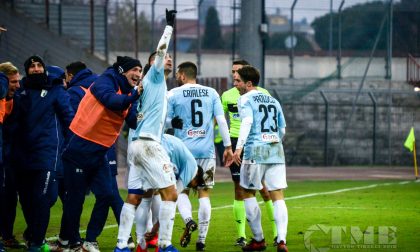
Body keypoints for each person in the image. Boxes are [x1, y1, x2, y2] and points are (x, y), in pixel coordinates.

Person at [61, 55, 141, 251]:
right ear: (122, 70)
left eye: (140, 71)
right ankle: (70, 241)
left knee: (106, 194)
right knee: (75, 199)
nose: (138, 74)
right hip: (79, 148)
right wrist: (135, 96)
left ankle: (89, 239)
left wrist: (148, 110)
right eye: (135, 70)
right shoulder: (104, 80)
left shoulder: (130, 92)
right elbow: (111, 100)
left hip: (100, 152)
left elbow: (133, 121)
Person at [117, 8, 178, 252]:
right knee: (171, 194)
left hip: (137, 145)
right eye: (165, 58)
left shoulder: (146, 87)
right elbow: (161, 50)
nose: (168, 59)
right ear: (154, 63)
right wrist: (169, 27)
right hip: (150, 145)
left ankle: (122, 245)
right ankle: (164, 244)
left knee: (135, 197)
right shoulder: (154, 77)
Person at [166, 61, 233, 251]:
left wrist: (173, 123)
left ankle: (188, 220)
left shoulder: (173, 94)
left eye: (177, 75)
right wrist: (228, 146)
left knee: (181, 191)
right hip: (206, 152)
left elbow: (165, 120)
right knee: (204, 193)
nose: (176, 77)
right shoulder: (212, 93)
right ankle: (201, 240)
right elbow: (221, 120)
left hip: (182, 151)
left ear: (182, 75)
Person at [14, 55, 74, 251]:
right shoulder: (19, 92)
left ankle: (37, 242)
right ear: (27, 70)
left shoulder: (55, 91)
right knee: (27, 199)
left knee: (44, 198)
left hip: (47, 153)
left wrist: (70, 148)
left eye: (39, 65)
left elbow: (69, 120)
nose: (37, 69)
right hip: (22, 154)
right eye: (32, 66)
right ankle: (33, 234)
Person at [231, 65, 288, 252]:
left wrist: (238, 148)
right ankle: (281, 240)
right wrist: (274, 141)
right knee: (277, 195)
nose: (235, 83)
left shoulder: (245, 99)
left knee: (247, 192)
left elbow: (247, 122)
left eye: (238, 80)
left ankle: (258, 239)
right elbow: (282, 129)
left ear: (248, 83)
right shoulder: (273, 100)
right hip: (275, 150)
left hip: (255, 150)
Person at [221, 59, 278, 247]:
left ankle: (276, 233)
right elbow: (220, 120)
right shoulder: (227, 95)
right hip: (236, 140)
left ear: (247, 78)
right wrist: (227, 145)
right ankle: (241, 235)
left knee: (264, 189)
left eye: (238, 74)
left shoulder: (261, 94)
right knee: (239, 188)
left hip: (255, 142)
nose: (234, 77)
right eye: (233, 73)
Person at [0, 62, 22, 250]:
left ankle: (6, 236)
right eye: (13, 82)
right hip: (5, 155)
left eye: (18, 81)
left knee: (9, 198)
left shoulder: (17, 99)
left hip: (11, 158)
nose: (17, 85)